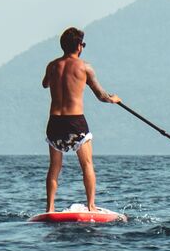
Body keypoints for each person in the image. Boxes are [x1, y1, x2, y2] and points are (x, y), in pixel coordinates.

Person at [41, 27, 120, 212]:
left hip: (54, 122)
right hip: (75, 121)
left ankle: (50, 208)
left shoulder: (52, 65)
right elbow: (101, 96)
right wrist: (114, 99)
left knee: (54, 167)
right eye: (82, 44)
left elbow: (45, 84)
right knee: (87, 164)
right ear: (78, 46)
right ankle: (91, 206)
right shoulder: (85, 67)